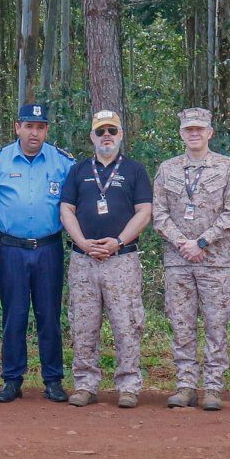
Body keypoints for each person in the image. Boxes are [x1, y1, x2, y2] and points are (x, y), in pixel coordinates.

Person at [0, 102, 75, 402]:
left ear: (47, 129)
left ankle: (53, 379)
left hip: (49, 248)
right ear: (17, 127)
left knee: (49, 314)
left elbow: (73, 206)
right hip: (11, 249)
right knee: (15, 315)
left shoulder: (63, 163)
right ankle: (12, 379)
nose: (34, 133)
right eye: (29, 126)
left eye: (40, 127)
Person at [59, 109, 153, 407]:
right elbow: (66, 210)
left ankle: (128, 385)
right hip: (83, 260)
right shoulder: (78, 170)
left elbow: (145, 212)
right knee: (84, 324)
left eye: (112, 130)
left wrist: (118, 241)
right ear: (92, 137)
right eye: (101, 131)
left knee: (127, 323)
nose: (107, 136)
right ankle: (86, 384)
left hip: (121, 259)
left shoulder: (135, 170)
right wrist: (83, 243)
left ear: (121, 134)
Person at [151, 107, 230, 410]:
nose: (194, 133)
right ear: (181, 133)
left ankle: (214, 387)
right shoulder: (167, 169)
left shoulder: (227, 167)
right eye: (188, 129)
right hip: (178, 261)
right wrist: (183, 243)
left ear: (209, 133)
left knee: (216, 324)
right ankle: (186, 385)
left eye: (199, 129)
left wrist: (202, 241)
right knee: (182, 324)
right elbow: (159, 213)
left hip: (214, 260)